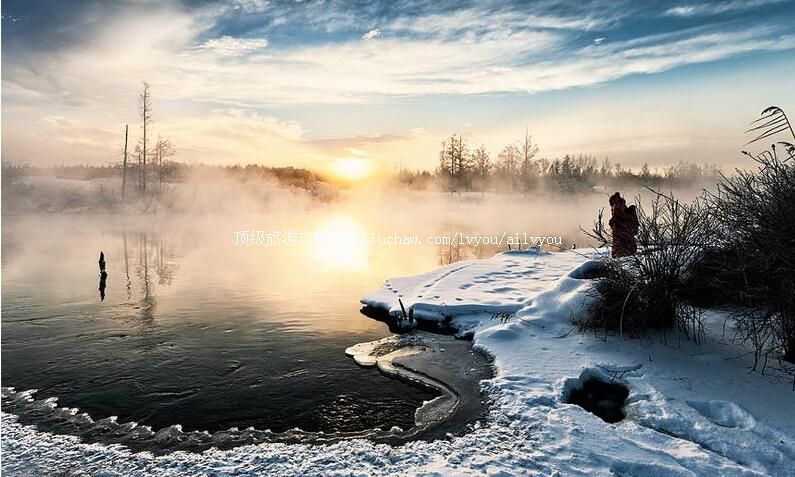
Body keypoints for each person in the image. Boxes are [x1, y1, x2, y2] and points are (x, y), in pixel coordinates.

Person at [608, 192, 638, 257]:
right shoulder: (623, 207)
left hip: (621, 232)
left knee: (620, 248)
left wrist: (612, 222)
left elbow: (618, 216)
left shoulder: (616, 206)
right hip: (626, 232)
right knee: (628, 248)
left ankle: (621, 257)